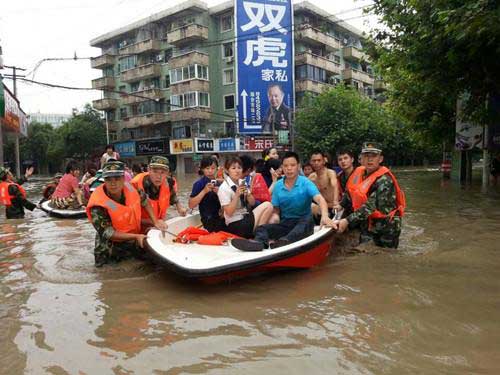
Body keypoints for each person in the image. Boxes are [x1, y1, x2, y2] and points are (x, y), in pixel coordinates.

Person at [231, 151, 334, 251]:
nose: (289, 168)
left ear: (298, 166)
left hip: (303, 221)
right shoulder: (278, 185)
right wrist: (275, 216)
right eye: (286, 166)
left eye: (292, 165)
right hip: (286, 223)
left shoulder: (306, 182)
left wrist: (325, 216)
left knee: (305, 223)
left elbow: (320, 199)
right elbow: (276, 209)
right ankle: (259, 243)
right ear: (282, 167)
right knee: (262, 228)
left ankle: (285, 241)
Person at [86, 161, 167, 267]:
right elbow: (108, 233)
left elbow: (145, 202)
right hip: (109, 250)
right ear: (104, 180)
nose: (113, 183)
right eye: (108, 179)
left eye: (117, 178)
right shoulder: (98, 204)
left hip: (131, 241)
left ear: (123, 178)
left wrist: (155, 221)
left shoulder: (131, 188)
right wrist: (136, 236)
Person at [334, 142, 406, 249]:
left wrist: (347, 220)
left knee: (387, 256)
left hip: (386, 227)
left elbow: (370, 207)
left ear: (380, 159)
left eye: (374, 156)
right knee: (364, 253)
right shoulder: (360, 173)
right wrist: (341, 205)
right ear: (361, 159)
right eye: (366, 156)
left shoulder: (385, 180)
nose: (370, 159)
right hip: (368, 223)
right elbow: (351, 192)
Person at [218, 157, 273, 239]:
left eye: (239, 168)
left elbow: (252, 203)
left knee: (272, 218)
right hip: (235, 224)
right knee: (268, 205)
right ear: (227, 170)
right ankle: (259, 236)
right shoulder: (224, 188)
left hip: (246, 217)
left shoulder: (242, 182)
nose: (237, 171)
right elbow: (229, 213)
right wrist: (236, 195)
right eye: (233, 168)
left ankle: (257, 235)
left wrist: (248, 194)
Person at [131, 156, 186, 233]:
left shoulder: (169, 182)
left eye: (162, 172)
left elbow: (173, 195)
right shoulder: (135, 185)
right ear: (149, 170)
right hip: (138, 230)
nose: (158, 176)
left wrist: (179, 207)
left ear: (167, 173)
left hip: (158, 225)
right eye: (155, 171)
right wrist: (154, 222)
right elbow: (130, 218)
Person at [189, 157, 227, 232]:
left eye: (213, 168)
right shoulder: (199, 184)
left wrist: (220, 193)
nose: (210, 171)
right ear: (202, 169)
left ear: (217, 169)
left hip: (222, 217)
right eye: (207, 168)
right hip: (209, 220)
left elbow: (227, 203)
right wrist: (204, 191)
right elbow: (191, 205)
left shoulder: (221, 183)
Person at [308, 151, 340, 222]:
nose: (316, 163)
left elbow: (335, 186)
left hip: (333, 207)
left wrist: (335, 201)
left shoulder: (330, 173)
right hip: (321, 207)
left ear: (324, 161)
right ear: (311, 162)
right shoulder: (311, 177)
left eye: (319, 160)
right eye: (314, 161)